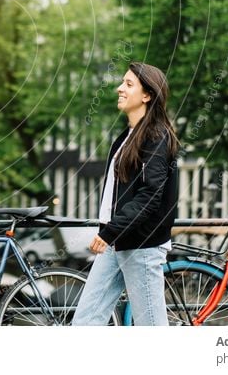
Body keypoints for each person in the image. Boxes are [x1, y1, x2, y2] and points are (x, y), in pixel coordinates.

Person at [72, 61, 179, 326]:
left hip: (141, 246)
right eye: (122, 82)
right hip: (117, 241)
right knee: (84, 323)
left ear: (147, 95)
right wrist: (109, 232)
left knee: (151, 328)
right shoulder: (127, 137)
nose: (120, 88)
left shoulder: (156, 137)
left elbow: (150, 196)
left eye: (128, 84)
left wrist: (109, 231)